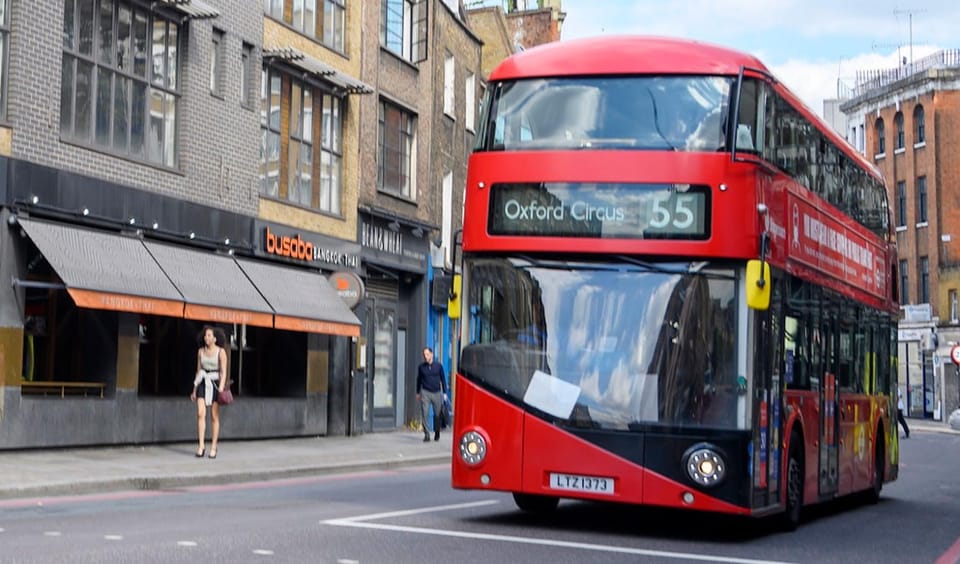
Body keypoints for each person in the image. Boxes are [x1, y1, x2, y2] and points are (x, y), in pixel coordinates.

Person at [190, 326, 228, 458]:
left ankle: (213, 447)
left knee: (214, 416)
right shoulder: (200, 351)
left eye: (210, 335)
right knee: (200, 413)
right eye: (205, 335)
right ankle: (201, 446)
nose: (207, 338)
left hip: (215, 383)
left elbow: (223, 372)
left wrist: (221, 388)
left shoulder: (221, 352)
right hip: (202, 381)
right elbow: (198, 370)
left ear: (215, 338)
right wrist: (194, 390)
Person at [416, 347, 447, 442]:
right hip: (425, 392)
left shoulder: (438, 366)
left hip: (437, 392)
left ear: (432, 354)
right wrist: (417, 392)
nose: (426, 356)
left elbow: (443, 379)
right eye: (424, 355)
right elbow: (419, 380)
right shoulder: (421, 367)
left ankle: (437, 432)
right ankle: (427, 434)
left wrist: (445, 392)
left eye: (427, 354)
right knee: (424, 413)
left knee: (437, 414)